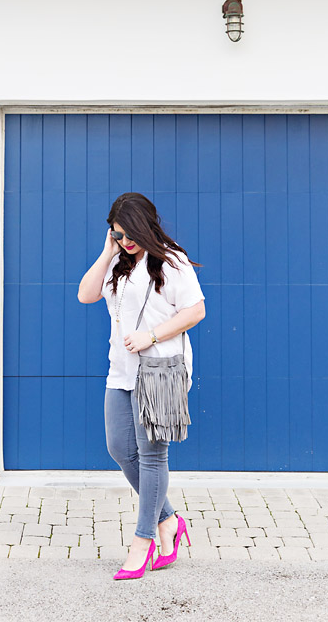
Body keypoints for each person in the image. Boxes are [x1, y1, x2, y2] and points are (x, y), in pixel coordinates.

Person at [77, 192, 206, 580]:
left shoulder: (171, 261)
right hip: (121, 370)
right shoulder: (117, 260)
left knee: (152, 457)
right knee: (119, 448)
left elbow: (196, 310)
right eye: (118, 233)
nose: (126, 240)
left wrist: (150, 335)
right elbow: (85, 294)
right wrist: (107, 252)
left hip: (160, 372)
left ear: (147, 225)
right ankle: (169, 520)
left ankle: (143, 539)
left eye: (130, 232)